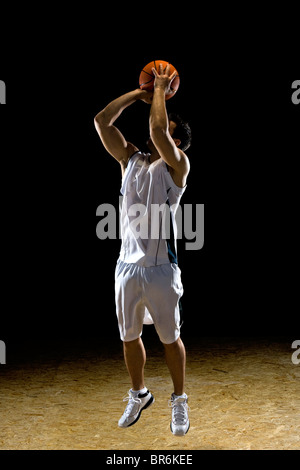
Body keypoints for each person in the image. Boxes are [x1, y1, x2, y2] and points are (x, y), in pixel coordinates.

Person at [94, 64, 192, 436]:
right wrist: (142, 92)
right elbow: (102, 121)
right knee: (128, 336)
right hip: (126, 267)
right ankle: (139, 393)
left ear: (176, 141)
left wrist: (160, 92)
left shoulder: (177, 167)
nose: (157, 130)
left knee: (170, 338)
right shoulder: (130, 160)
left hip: (160, 269)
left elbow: (156, 128)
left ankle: (179, 400)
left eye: (167, 130)